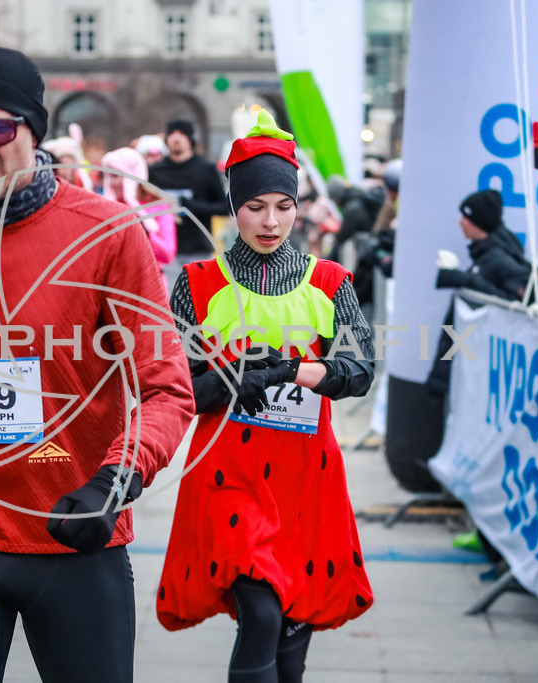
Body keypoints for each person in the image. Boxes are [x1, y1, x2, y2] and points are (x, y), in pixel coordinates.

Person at [0, 46, 194, 682]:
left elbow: (166, 389)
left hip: (76, 538)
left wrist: (116, 480)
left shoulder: (108, 232)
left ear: (35, 131)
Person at [156, 110, 375, 682]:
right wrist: (232, 380)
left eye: (283, 205)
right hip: (229, 475)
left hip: (307, 478)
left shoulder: (330, 282)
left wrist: (294, 371)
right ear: (233, 208)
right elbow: (177, 391)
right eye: (255, 206)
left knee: (291, 634)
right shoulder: (198, 283)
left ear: (298, 206)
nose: (270, 221)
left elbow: (360, 371)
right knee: (259, 609)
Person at [426, 189, 535, 395]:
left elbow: (517, 301)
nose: (461, 222)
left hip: (479, 363)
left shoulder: (499, 258)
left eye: (466, 217)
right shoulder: (486, 252)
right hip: (472, 357)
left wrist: (463, 279)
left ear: (479, 222)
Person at [147, 118, 230, 285]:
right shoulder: (154, 171)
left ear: (191, 139)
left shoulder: (205, 169)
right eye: (171, 134)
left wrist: (194, 206)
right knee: (168, 305)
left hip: (198, 248)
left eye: (182, 134)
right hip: (164, 252)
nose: (176, 139)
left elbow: (224, 207)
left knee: (198, 305)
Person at [100, 146, 176, 290]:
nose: (112, 182)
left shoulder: (157, 206)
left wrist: (144, 229)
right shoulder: (103, 208)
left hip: (150, 285)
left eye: (116, 176)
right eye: (108, 176)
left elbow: (167, 253)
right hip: (111, 287)